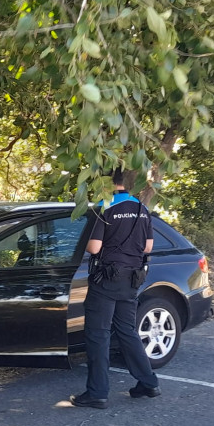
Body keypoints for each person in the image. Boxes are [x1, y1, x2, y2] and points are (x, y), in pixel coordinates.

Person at [70, 166, 160, 409]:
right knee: (127, 331)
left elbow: (95, 248)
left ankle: (97, 392)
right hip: (132, 279)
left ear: (107, 184)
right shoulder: (142, 209)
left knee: (98, 334)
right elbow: (148, 247)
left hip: (106, 279)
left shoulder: (105, 207)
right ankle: (148, 382)